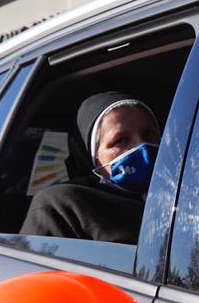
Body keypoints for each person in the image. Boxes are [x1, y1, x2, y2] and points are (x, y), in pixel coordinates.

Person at [19, 91, 160, 243]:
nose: (141, 146)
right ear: (92, 156)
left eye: (148, 134)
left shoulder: (182, 190)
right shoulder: (62, 204)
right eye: (120, 140)